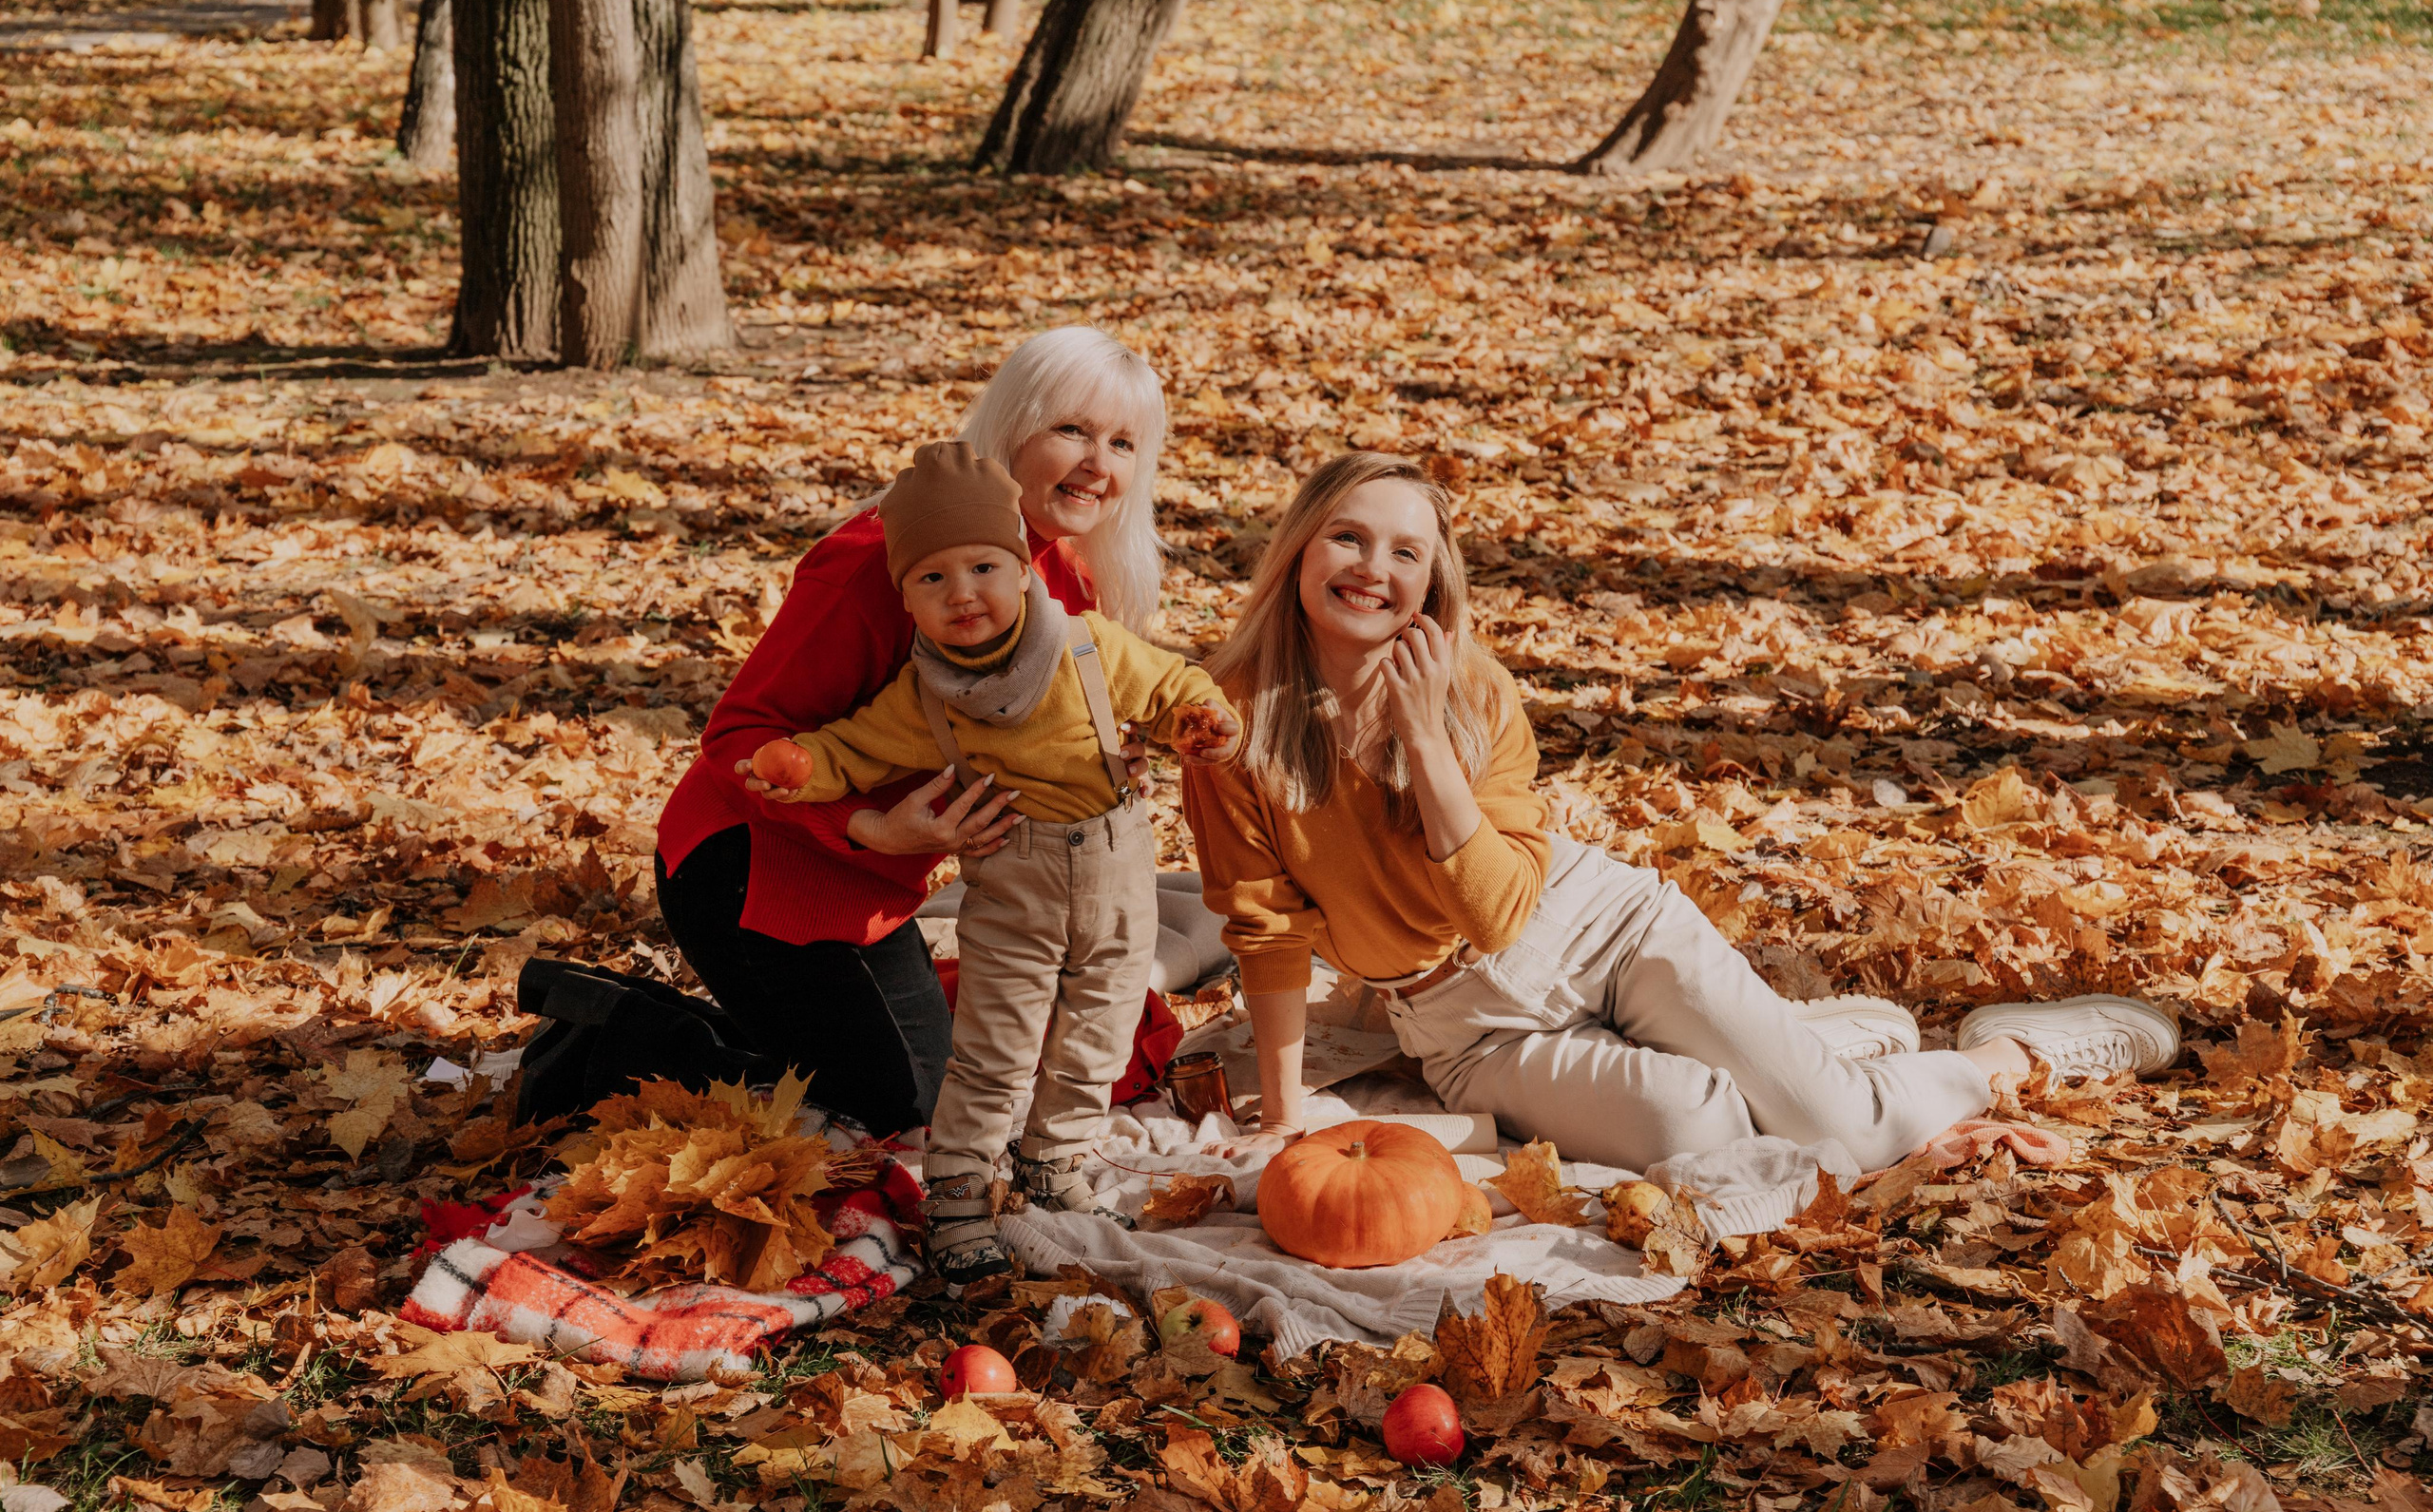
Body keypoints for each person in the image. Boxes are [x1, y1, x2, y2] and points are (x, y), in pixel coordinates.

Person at [1182, 451, 2180, 1176]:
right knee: (1699, 1136)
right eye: (1348, 538)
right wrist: (1281, 1111)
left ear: (1432, 585)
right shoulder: (1227, 723)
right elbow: (1262, 926)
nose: (1373, 569)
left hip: (1599, 930)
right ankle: (1801, 1042)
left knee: (1855, 1130)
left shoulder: (1472, 694)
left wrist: (1424, 744)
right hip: (1462, 1024)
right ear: (1298, 551)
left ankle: (2008, 1051)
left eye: (1406, 552)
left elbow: (1495, 913)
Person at [654, 326, 1211, 1140]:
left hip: (873, 888)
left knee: (938, 1085)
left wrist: (1101, 758)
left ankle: (782, 1025)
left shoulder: (1061, 574)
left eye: (1122, 443)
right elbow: (737, 735)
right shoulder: (874, 563)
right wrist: (870, 823)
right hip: (751, 868)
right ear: (1014, 425)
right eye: (1072, 430)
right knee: (895, 1105)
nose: (1099, 463)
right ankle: (610, 1032)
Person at [756, 442, 1240, 1285]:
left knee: (1101, 1031)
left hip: (1119, 876)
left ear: (1023, 570)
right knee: (995, 1049)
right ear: (904, 597)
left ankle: (1054, 1167)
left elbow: (1170, 686)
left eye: (983, 565)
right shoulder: (922, 694)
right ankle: (958, 1198)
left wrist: (1200, 718)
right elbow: (853, 749)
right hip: (1015, 882)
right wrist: (801, 767)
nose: (962, 593)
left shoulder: (1090, 648)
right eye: (932, 579)